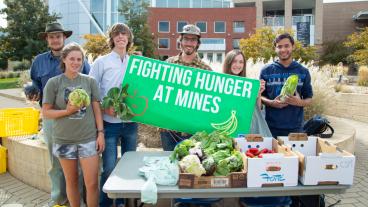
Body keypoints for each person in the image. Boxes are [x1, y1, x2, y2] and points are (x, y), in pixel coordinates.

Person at [30, 22, 90, 207]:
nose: (55, 39)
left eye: (58, 36)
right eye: (52, 36)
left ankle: (77, 201)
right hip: (52, 119)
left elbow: (89, 82)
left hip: (76, 118)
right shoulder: (39, 61)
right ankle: (58, 199)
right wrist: (31, 89)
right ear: (47, 40)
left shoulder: (78, 58)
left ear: (64, 38)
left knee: (77, 163)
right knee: (55, 162)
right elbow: (34, 83)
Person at [42, 42, 104, 207]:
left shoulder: (89, 81)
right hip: (64, 140)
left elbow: (97, 109)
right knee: (72, 182)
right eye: (72, 59)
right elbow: (46, 112)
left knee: (91, 184)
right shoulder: (54, 83)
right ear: (64, 59)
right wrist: (67, 111)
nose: (76, 62)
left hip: (88, 139)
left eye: (79, 59)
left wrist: (101, 133)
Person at [89, 23, 137, 207]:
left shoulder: (135, 62)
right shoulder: (101, 62)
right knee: (108, 168)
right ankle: (106, 204)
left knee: (129, 167)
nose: (120, 37)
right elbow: (91, 91)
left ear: (128, 38)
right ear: (112, 39)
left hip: (130, 123)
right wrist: (103, 108)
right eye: (117, 34)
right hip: (109, 124)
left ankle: (123, 203)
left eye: (124, 34)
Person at [160, 24, 211, 151]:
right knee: (170, 166)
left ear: (198, 43)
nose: (189, 43)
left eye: (193, 40)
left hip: (193, 131)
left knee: (191, 167)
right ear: (180, 41)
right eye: (186, 39)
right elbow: (158, 91)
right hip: (169, 129)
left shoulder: (206, 70)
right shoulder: (168, 65)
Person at [260, 33, 313, 138]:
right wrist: (271, 103)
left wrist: (299, 102)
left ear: (293, 46)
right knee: (272, 154)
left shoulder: (303, 71)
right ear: (275, 49)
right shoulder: (266, 71)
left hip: (295, 128)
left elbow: (309, 99)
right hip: (270, 127)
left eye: (286, 46)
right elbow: (260, 96)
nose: (283, 50)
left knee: (293, 155)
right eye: (279, 46)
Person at [222, 50, 272, 137]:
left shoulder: (248, 85)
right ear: (228, 63)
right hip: (227, 128)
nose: (238, 65)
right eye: (234, 61)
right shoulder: (220, 83)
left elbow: (257, 110)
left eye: (241, 62)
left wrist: (258, 94)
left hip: (245, 129)